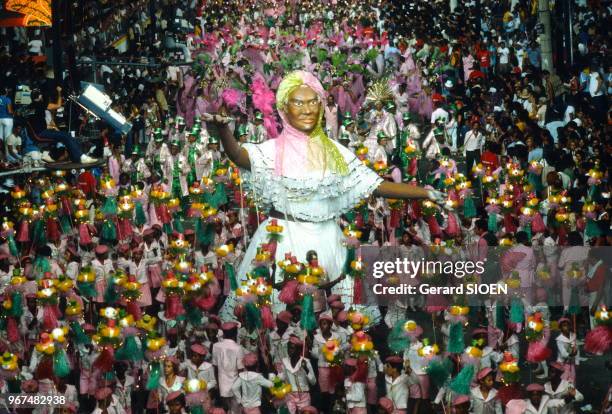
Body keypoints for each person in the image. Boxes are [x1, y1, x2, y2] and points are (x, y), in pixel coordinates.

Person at [209, 71, 444, 318]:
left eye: (313, 102)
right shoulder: (272, 150)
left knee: (337, 317)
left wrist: (423, 193)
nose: (307, 109)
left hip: (328, 240)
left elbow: (376, 185)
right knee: (276, 315)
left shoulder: (335, 153)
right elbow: (239, 156)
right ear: (284, 109)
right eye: (298, 103)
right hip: (281, 238)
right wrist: (224, 131)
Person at [26, 89, 98, 164]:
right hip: (42, 133)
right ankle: (82, 157)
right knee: (66, 136)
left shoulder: (29, 108)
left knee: (64, 136)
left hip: (36, 134)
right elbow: (58, 105)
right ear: (40, 96)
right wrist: (59, 92)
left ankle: (76, 158)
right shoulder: (41, 105)